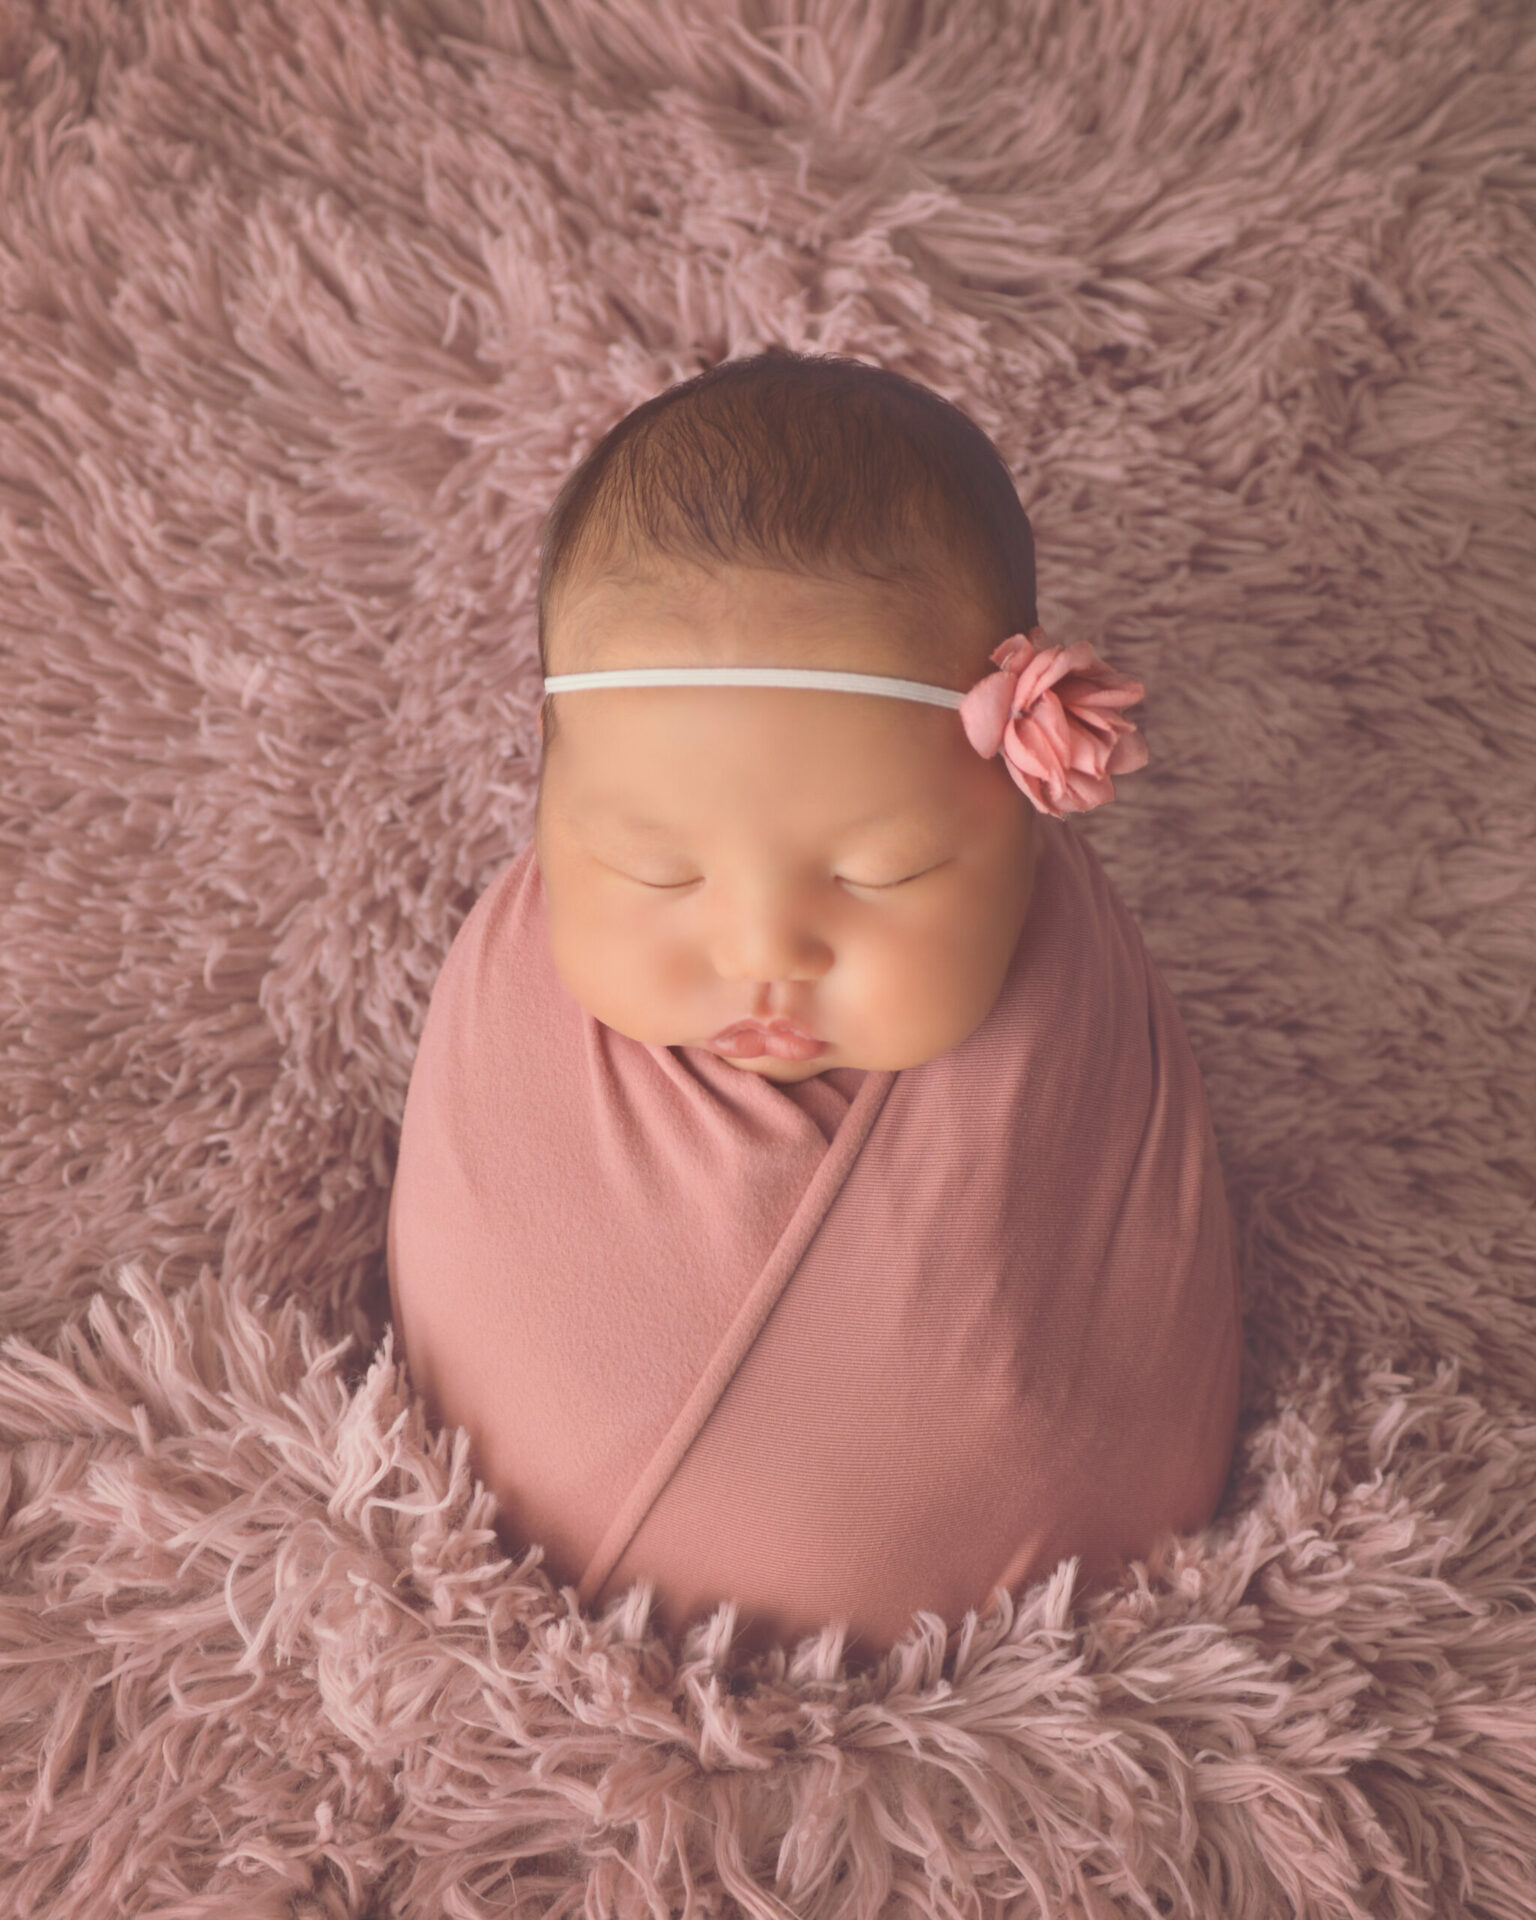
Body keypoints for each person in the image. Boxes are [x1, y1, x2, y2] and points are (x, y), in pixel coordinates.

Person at [387, 349, 1242, 1670]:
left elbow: (1104, 1365)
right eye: (655, 869)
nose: (761, 947)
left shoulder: (1077, 1017)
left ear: (1021, 814)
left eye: (879, 873)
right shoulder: (515, 1006)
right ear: (549, 802)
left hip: (1032, 1646)